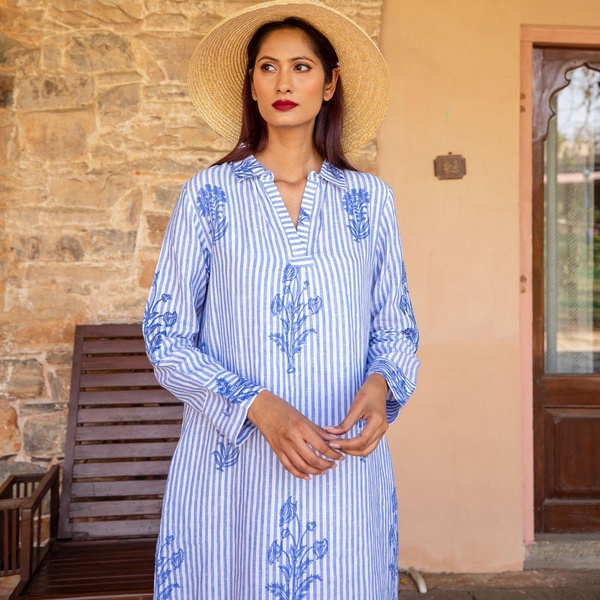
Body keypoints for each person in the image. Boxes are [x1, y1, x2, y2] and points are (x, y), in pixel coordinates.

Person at [143, 0, 419, 598]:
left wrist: (380, 389)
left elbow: (395, 329)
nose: (284, 82)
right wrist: (259, 407)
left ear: (330, 82)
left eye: (301, 67)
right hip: (234, 472)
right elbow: (166, 339)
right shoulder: (209, 196)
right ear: (252, 84)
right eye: (267, 67)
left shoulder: (370, 202)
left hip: (342, 467)